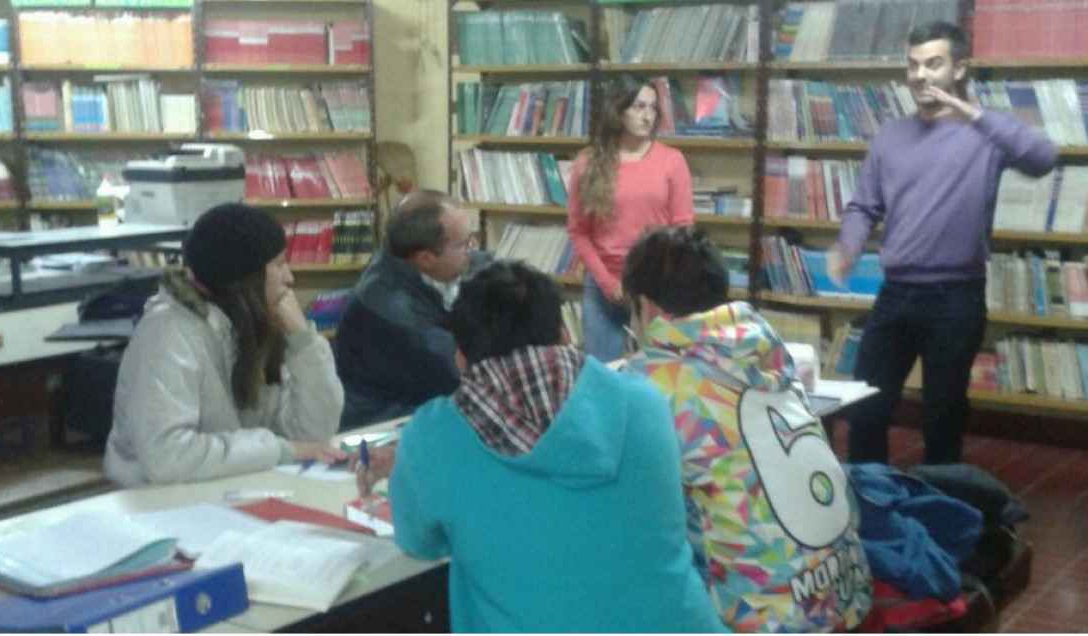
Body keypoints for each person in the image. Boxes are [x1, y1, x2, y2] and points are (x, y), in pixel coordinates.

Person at [384, 260, 726, 633]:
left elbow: (420, 542)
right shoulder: (646, 402)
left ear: (461, 360)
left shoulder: (433, 436)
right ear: (565, 335)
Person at [621, 225, 874, 632]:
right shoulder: (762, 350)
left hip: (764, 620)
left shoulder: (651, 382)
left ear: (646, 308)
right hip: (845, 596)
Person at [826, 21, 1058, 464]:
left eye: (933, 63)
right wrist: (849, 245)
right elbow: (863, 206)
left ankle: (941, 515)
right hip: (895, 295)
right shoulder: (889, 136)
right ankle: (870, 505)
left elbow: (1043, 159)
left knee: (942, 416)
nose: (920, 75)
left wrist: (972, 113)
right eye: (913, 65)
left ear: (959, 68)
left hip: (957, 298)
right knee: (867, 408)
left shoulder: (986, 134)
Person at [104, 202, 345, 486]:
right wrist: (277, 450)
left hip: (227, 488)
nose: (289, 277)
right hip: (154, 501)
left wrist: (302, 339)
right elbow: (166, 457)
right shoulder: (168, 332)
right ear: (247, 277)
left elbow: (313, 435)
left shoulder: (250, 324)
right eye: (279, 264)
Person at [334, 189, 488, 430]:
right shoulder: (385, 307)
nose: (474, 250)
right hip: (385, 425)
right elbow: (461, 373)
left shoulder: (452, 264)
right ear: (425, 258)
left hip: (429, 408)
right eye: (465, 244)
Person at [566, 75, 694, 362]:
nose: (647, 116)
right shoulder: (588, 162)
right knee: (603, 375)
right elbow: (578, 231)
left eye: (652, 108)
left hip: (657, 287)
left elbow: (682, 230)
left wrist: (657, 281)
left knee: (660, 375)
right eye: (638, 107)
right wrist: (608, 283)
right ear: (618, 110)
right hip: (604, 287)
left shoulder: (671, 161)